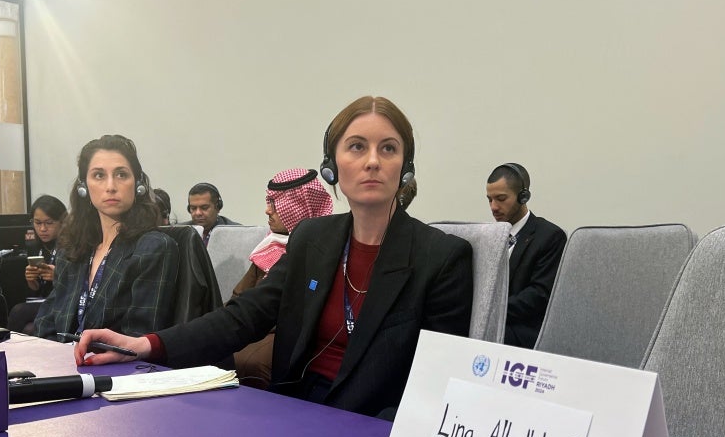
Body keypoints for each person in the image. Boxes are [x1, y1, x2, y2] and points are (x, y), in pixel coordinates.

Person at [75, 96, 474, 419]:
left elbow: (436, 386)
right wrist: (145, 344)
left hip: (371, 430)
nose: (373, 160)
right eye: (357, 147)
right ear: (332, 168)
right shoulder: (312, 238)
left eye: (388, 148)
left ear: (405, 168)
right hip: (290, 413)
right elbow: (244, 317)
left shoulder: (441, 257)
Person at [33, 134, 179, 340]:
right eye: (99, 175)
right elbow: (46, 322)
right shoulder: (72, 247)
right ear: (84, 187)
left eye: (121, 175)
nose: (110, 186)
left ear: (137, 184)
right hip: (61, 363)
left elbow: (139, 337)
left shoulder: (154, 247)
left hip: (113, 367)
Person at [232, 167, 334, 388]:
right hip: (255, 326)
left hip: (286, 335)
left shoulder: (324, 250)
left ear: (298, 207)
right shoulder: (269, 246)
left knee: (251, 361)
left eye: (276, 204)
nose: (268, 211)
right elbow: (239, 296)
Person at [486, 163, 567, 348]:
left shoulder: (549, 236)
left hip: (522, 331)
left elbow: (538, 295)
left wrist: (491, 312)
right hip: (493, 325)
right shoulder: (490, 236)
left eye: (500, 199)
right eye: (489, 199)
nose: (493, 207)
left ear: (523, 197)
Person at [7, 195, 68, 334]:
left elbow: (84, 282)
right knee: (25, 324)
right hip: (44, 300)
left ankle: (7, 352)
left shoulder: (72, 245)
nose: (42, 229)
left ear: (63, 222)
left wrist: (58, 275)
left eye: (49, 223)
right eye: (37, 222)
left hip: (65, 302)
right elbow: (37, 289)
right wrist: (31, 280)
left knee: (18, 312)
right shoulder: (35, 245)